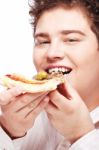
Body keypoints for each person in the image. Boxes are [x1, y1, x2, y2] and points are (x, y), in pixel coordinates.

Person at [0, 0, 99, 149]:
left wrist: (82, 136)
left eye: (71, 39)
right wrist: (8, 132)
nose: (52, 53)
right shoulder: (12, 114)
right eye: (43, 41)